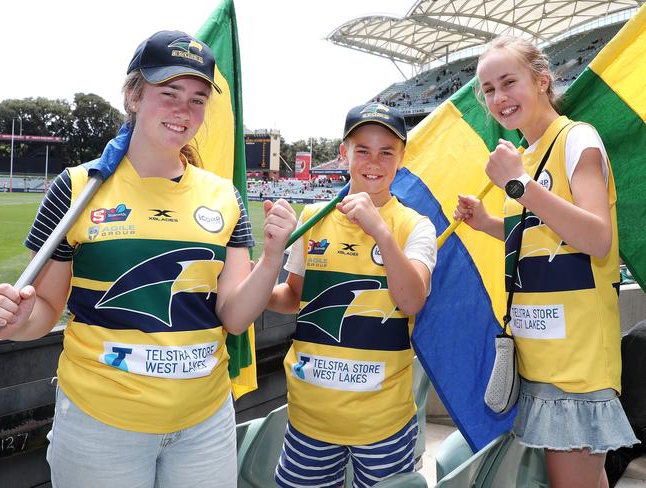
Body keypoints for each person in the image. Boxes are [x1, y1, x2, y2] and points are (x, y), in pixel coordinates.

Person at [0, 30, 296, 487]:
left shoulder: (224, 197)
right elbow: (46, 309)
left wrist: (273, 256)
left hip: (204, 424)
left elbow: (234, 317)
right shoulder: (77, 190)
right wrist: (16, 320)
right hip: (100, 425)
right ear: (134, 95)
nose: (183, 110)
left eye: (197, 99)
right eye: (169, 92)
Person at [453, 36, 638, 488]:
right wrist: (488, 223)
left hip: (574, 363)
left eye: (508, 82)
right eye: (488, 89)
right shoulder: (527, 156)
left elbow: (595, 237)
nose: (498, 97)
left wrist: (519, 186)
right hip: (539, 356)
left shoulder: (578, 139)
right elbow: (541, 236)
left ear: (542, 81)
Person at [268, 103, 437, 488]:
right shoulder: (313, 216)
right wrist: (252, 284)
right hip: (310, 417)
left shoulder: (415, 226)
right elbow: (293, 297)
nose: (373, 161)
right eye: (362, 149)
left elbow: (412, 301)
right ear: (344, 153)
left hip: (384, 422)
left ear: (402, 158)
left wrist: (381, 232)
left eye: (386, 151)